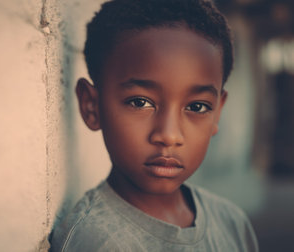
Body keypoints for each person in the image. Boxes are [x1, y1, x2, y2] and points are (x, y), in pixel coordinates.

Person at [49, 0, 259, 251]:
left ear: (217, 113)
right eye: (140, 102)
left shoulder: (232, 223)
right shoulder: (95, 242)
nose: (169, 136)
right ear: (91, 106)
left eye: (197, 107)